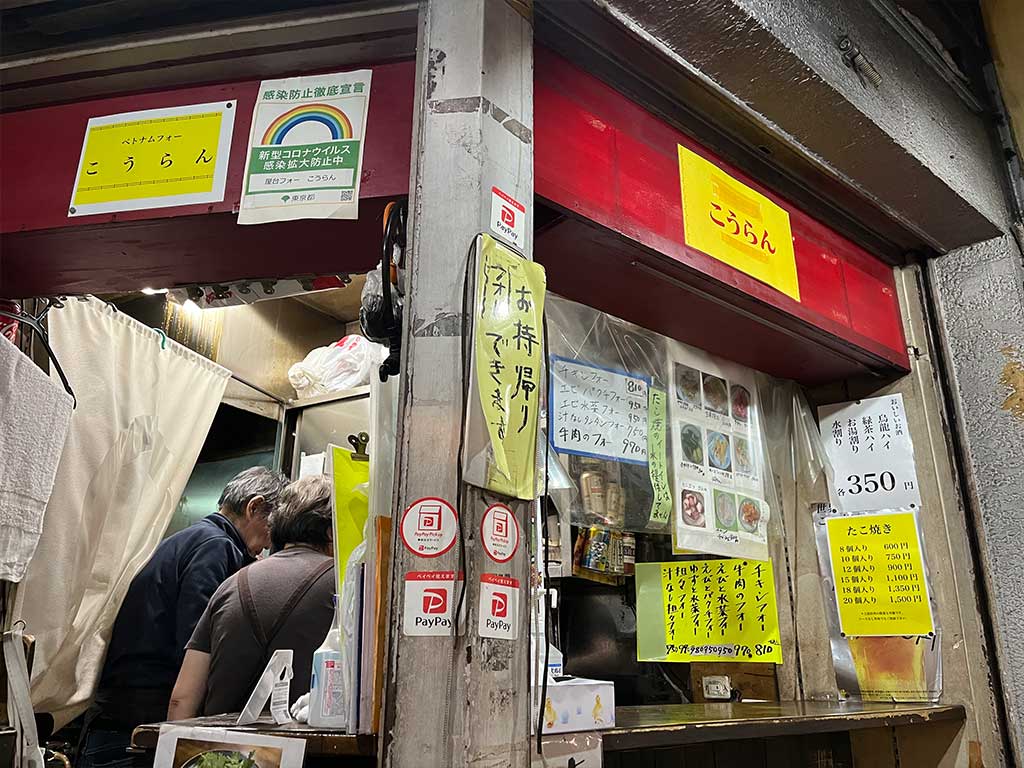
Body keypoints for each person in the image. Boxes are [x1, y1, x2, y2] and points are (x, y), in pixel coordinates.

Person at [78, 466, 288, 768]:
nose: (269, 544)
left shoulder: (192, 538)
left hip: (116, 720)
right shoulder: (216, 548)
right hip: (135, 728)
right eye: (272, 529)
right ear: (253, 507)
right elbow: (195, 647)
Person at [168, 475, 336, 719]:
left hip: (220, 751)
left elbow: (181, 698)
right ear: (332, 531)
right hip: (304, 752)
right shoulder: (344, 585)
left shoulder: (230, 585)